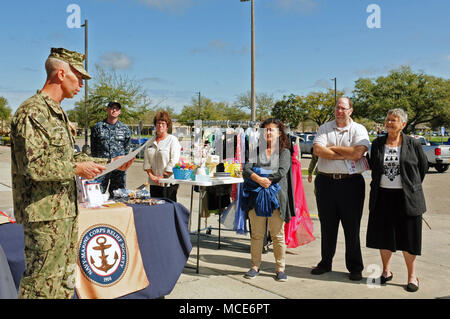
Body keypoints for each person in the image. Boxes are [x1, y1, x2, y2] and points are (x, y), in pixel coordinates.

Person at [10, 47, 134, 299]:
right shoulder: (32, 112)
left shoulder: (57, 113)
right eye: (79, 78)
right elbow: (33, 166)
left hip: (64, 214)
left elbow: (70, 157)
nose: (81, 85)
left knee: (64, 283)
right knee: (40, 287)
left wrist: (111, 162)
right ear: (60, 73)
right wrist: (77, 168)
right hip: (45, 218)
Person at [366, 108, 427, 292]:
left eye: (394, 120)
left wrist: (410, 187)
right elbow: (373, 167)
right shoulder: (377, 143)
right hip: (383, 197)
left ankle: (411, 276)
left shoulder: (413, 144)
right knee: (384, 237)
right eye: (388, 119)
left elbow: (422, 168)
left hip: (407, 198)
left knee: (409, 239)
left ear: (403, 124)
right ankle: (386, 271)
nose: (389, 123)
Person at [311, 97, 370, 281]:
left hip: (351, 183)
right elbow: (318, 151)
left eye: (343, 108)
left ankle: (355, 267)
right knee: (328, 226)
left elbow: (358, 153)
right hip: (325, 182)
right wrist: (346, 153)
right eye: (337, 108)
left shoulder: (359, 129)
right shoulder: (324, 128)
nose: (339, 111)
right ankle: (325, 262)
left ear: (351, 110)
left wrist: (333, 150)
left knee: (351, 227)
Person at [242, 118, 292, 282]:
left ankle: (280, 269)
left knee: (278, 235)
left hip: (275, 199)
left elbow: (281, 171)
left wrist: (264, 178)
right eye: (266, 130)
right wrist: (258, 178)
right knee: (257, 235)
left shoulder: (284, 152)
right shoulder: (256, 151)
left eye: (272, 130)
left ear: (279, 133)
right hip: (256, 197)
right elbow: (246, 169)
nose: (268, 132)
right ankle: (254, 266)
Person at [90, 101, 131, 197]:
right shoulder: (98, 127)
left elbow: (126, 148)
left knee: (118, 196)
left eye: (117, 108)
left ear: (120, 112)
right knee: (97, 195)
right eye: (112, 108)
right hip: (102, 167)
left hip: (118, 169)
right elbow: (94, 148)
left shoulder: (125, 129)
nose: (114, 110)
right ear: (107, 109)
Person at [143, 111, 181, 201]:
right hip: (154, 183)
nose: (160, 126)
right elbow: (146, 161)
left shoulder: (172, 140)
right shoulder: (150, 141)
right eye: (158, 123)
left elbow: (174, 160)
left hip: (168, 183)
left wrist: (163, 176)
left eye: (163, 123)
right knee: (155, 209)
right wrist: (151, 175)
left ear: (167, 126)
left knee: (167, 210)